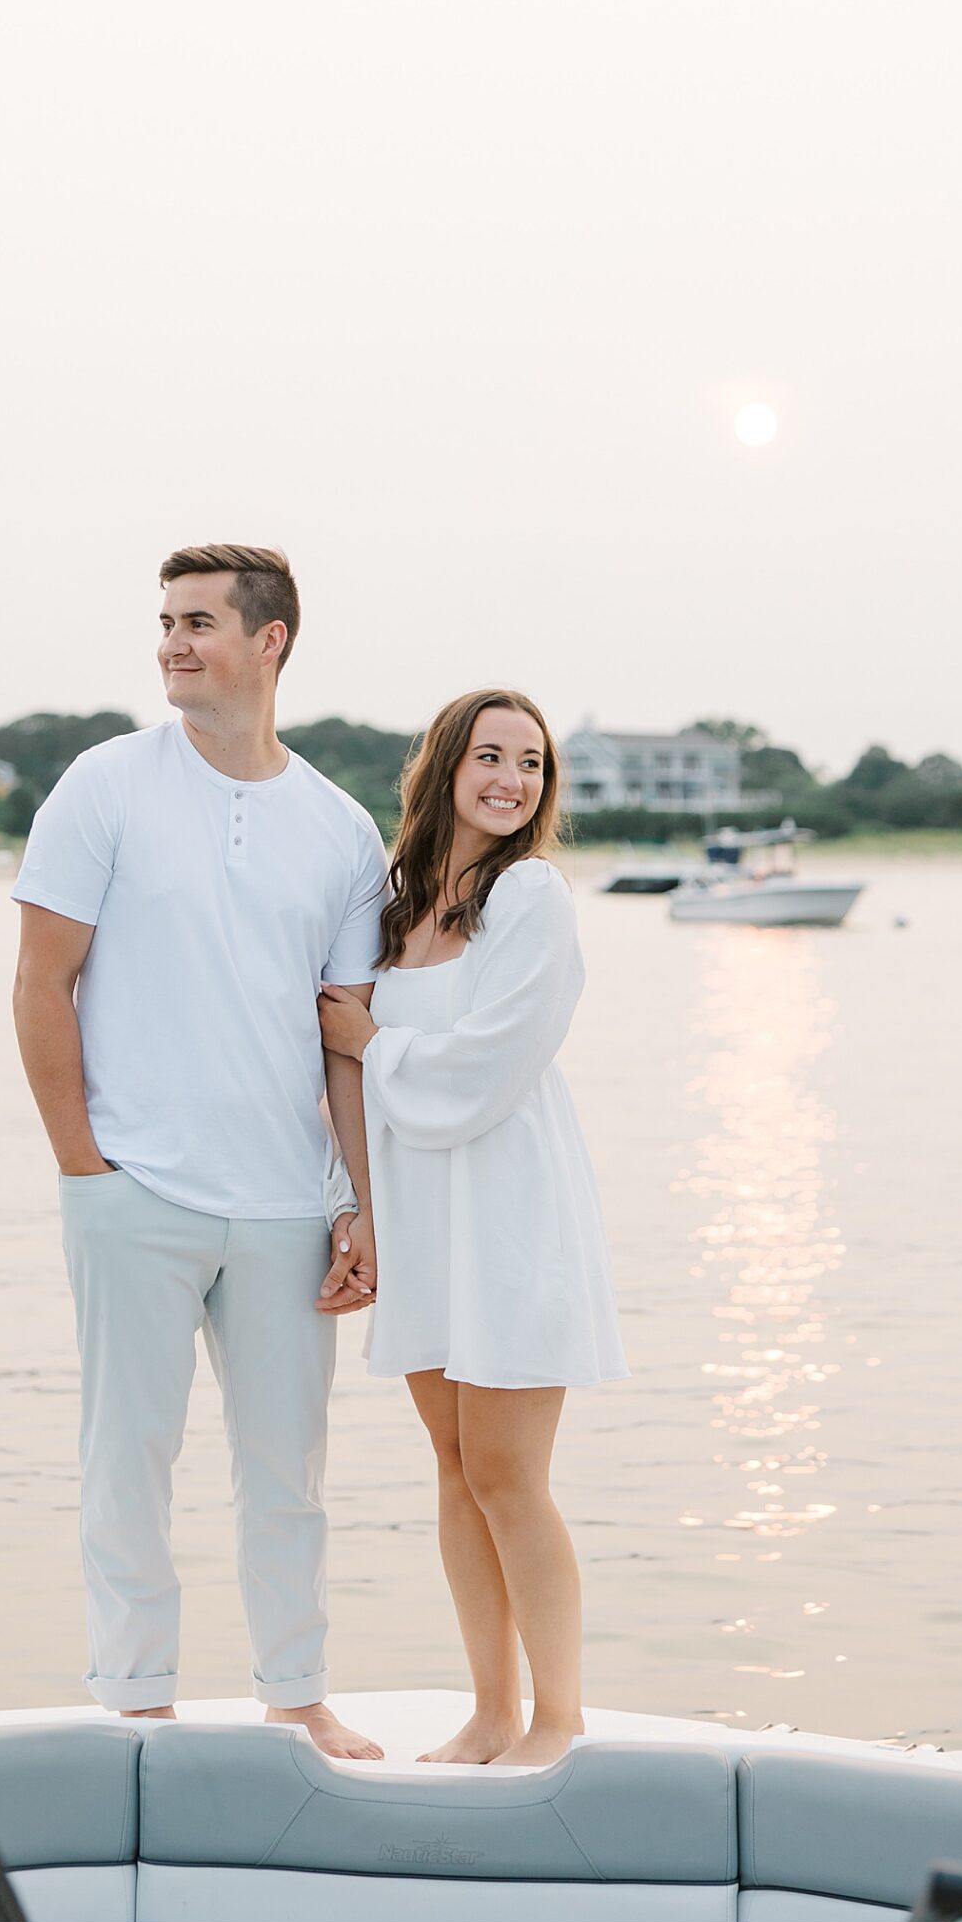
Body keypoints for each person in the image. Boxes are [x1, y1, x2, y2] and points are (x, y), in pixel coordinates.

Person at [11, 543, 389, 1761]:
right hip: (135, 1188)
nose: (172, 642)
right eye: (167, 621)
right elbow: (41, 982)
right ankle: (138, 1703)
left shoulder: (340, 828)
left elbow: (343, 1036)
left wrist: (359, 1203)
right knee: (128, 1461)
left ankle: (298, 1696)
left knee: (289, 1474)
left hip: (285, 1204)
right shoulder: (105, 784)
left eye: (199, 622)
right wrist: (83, 1167)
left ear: (268, 641)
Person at [318, 689, 627, 1769]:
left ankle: (557, 1719)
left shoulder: (529, 896)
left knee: (507, 1473)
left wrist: (373, 1040)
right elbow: (337, 1077)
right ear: (444, 766)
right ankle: (491, 1711)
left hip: (507, 1214)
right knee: (454, 1468)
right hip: (422, 1220)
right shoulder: (394, 908)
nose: (511, 780)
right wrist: (353, 1208)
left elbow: (496, 1060)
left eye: (531, 764)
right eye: (491, 756)